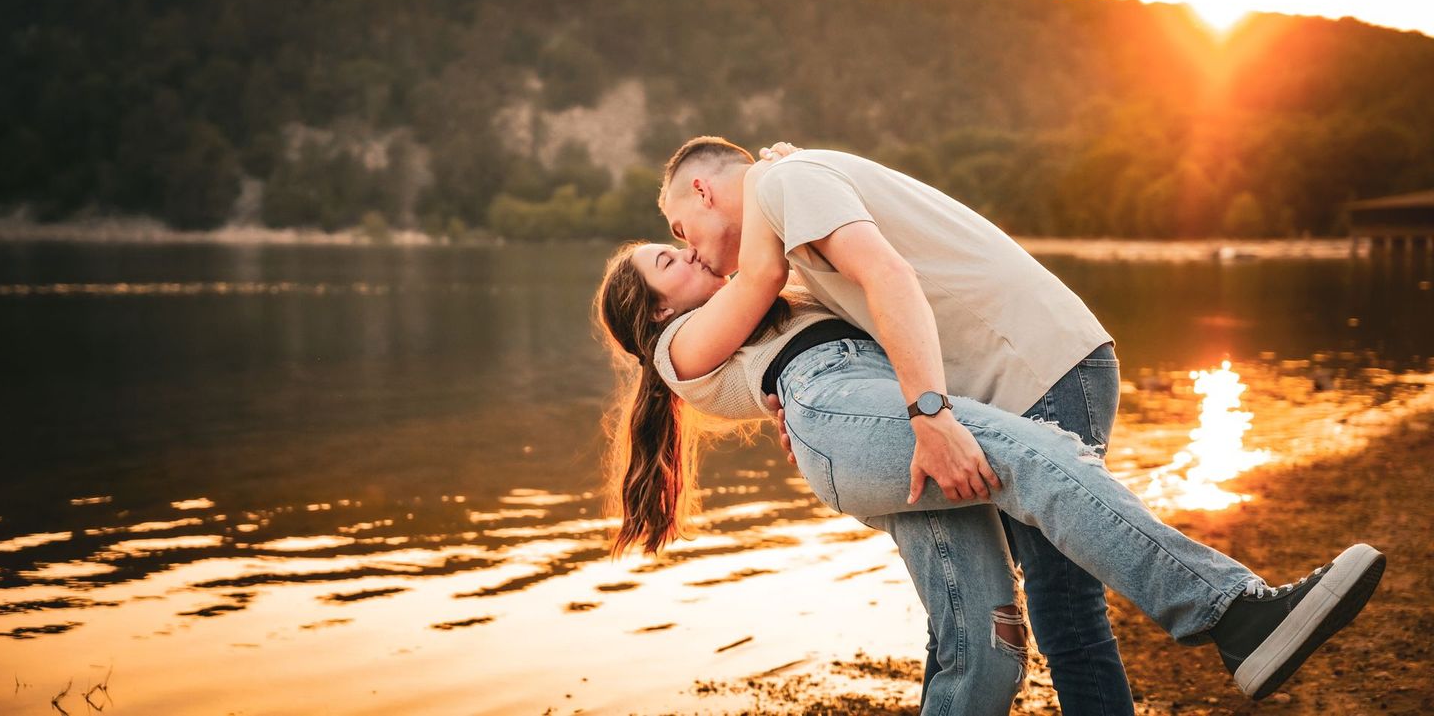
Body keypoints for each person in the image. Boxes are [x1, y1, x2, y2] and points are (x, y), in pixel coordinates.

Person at [592, 215, 1386, 713]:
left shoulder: (761, 310)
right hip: (847, 416)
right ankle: (1233, 613)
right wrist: (766, 182)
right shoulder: (674, 349)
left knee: (987, 650)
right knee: (1032, 454)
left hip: (874, 416)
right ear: (655, 311)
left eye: (680, 243)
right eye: (670, 260)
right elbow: (762, 267)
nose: (691, 254)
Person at [657, 136, 1132, 714]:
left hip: (1032, 368)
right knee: (981, 618)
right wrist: (807, 416)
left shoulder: (787, 187)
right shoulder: (788, 218)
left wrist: (926, 416)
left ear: (703, 190)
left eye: (681, 231)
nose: (693, 252)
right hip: (998, 385)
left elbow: (884, 276)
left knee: (1066, 612)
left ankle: (1232, 611)